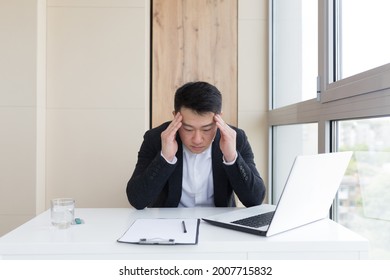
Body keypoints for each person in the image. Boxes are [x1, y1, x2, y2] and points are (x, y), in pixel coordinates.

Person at [127, 81, 266, 209]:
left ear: (219, 118)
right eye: (188, 129)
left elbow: (254, 200)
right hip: (169, 225)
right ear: (176, 116)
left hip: (219, 224)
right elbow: (137, 200)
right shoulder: (156, 138)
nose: (197, 139)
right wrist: (165, 158)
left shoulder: (235, 138)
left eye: (206, 129)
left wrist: (231, 157)